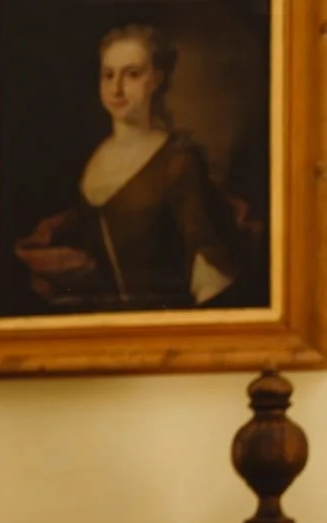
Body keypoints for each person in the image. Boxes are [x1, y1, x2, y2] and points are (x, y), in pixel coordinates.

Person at [14, 22, 250, 313]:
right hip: (96, 321)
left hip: (163, 320)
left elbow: (204, 259)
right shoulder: (94, 158)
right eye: (108, 75)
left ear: (157, 79)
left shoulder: (178, 162)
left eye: (132, 74)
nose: (116, 88)